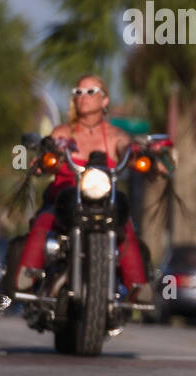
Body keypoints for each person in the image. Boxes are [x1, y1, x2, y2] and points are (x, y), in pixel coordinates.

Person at [14, 74, 153, 304]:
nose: (83, 97)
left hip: (103, 200)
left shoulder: (116, 136)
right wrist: (44, 160)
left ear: (105, 100)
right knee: (44, 220)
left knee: (124, 223)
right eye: (78, 92)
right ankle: (29, 271)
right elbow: (46, 156)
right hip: (65, 198)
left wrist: (142, 154)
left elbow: (129, 150)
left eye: (91, 92)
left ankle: (137, 284)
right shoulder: (63, 133)